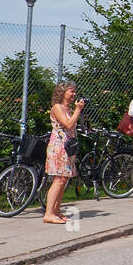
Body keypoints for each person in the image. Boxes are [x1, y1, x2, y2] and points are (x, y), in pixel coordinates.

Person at [44, 81, 84, 224]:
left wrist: (77, 111)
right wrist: (78, 110)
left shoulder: (68, 108)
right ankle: (48, 213)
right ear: (63, 93)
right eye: (71, 91)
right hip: (59, 147)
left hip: (68, 147)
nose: (74, 94)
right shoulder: (57, 107)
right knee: (59, 179)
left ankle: (56, 211)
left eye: (74, 91)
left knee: (64, 179)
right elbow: (68, 124)